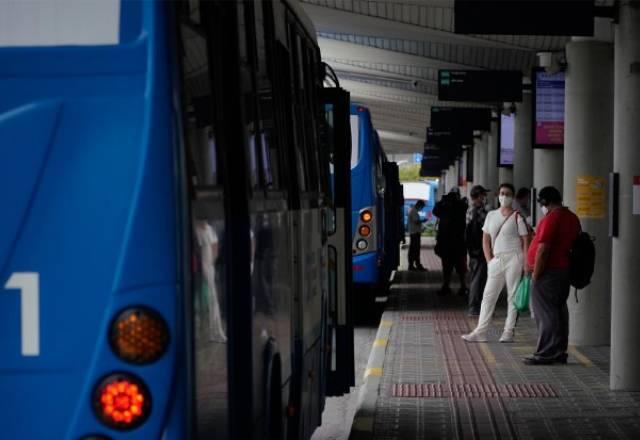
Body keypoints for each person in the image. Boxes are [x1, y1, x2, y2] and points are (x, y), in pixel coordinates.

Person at [462, 183, 530, 343]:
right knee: (488, 296)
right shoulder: (491, 215)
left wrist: (526, 263)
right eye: (501, 193)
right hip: (496, 259)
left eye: (507, 194)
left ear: (512, 197)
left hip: (514, 257)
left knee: (512, 295)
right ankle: (480, 331)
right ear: (498, 195)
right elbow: (485, 239)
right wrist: (489, 260)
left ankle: (508, 331)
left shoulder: (517, 217)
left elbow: (525, 240)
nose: (504, 196)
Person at [524, 186, 581, 365]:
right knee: (558, 311)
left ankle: (545, 353)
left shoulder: (552, 218)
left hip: (548, 272)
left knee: (546, 313)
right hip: (563, 271)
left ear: (545, 202)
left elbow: (543, 249)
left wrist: (536, 274)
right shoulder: (572, 217)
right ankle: (559, 351)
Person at [433, 187, 468, 296]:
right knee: (460, 267)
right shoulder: (461, 205)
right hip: (458, 242)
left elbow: (435, 211)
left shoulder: (447, 205)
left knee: (448, 267)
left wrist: (443, 201)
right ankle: (462, 286)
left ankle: (448, 286)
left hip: (448, 242)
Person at [466, 185, 490, 316]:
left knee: (477, 277)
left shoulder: (470, 210)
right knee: (478, 279)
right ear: (479, 196)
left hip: (474, 251)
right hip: (479, 250)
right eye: (483, 195)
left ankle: (476, 306)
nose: (485, 198)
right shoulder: (478, 212)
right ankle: (474, 307)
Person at [407, 200, 427, 271]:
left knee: (414, 249)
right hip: (415, 233)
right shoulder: (414, 211)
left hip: (414, 233)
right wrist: (423, 221)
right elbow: (416, 221)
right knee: (415, 249)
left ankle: (414, 264)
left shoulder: (413, 210)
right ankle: (414, 265)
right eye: (422, 207)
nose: (422, 208)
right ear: (419, 205)